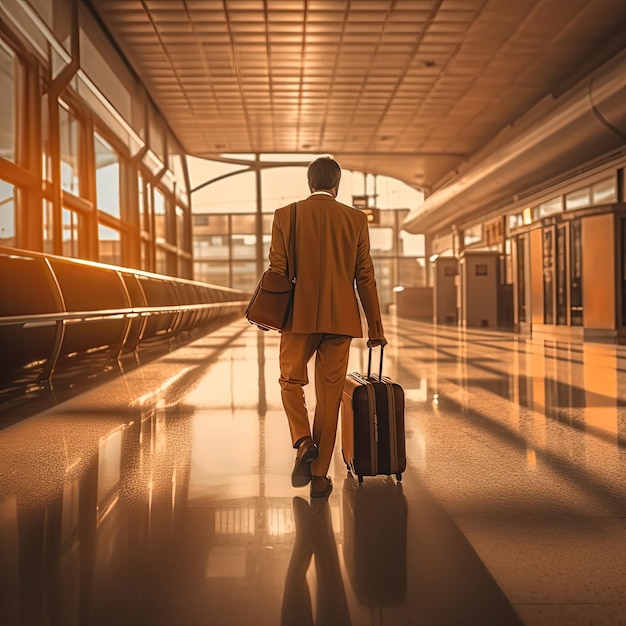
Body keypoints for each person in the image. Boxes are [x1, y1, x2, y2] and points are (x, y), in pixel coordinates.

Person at [268, 156, 386, 499]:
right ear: (336, 185)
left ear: (309, 183)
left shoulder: (285, 216)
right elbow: (365, 275)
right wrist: (375, 327)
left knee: (290, 381)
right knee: (330, 396)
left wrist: (270, 314)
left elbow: (277, 271)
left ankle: (303, 441)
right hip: (341, 320)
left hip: (298, 318)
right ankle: (319, 478)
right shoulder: (355, 219)